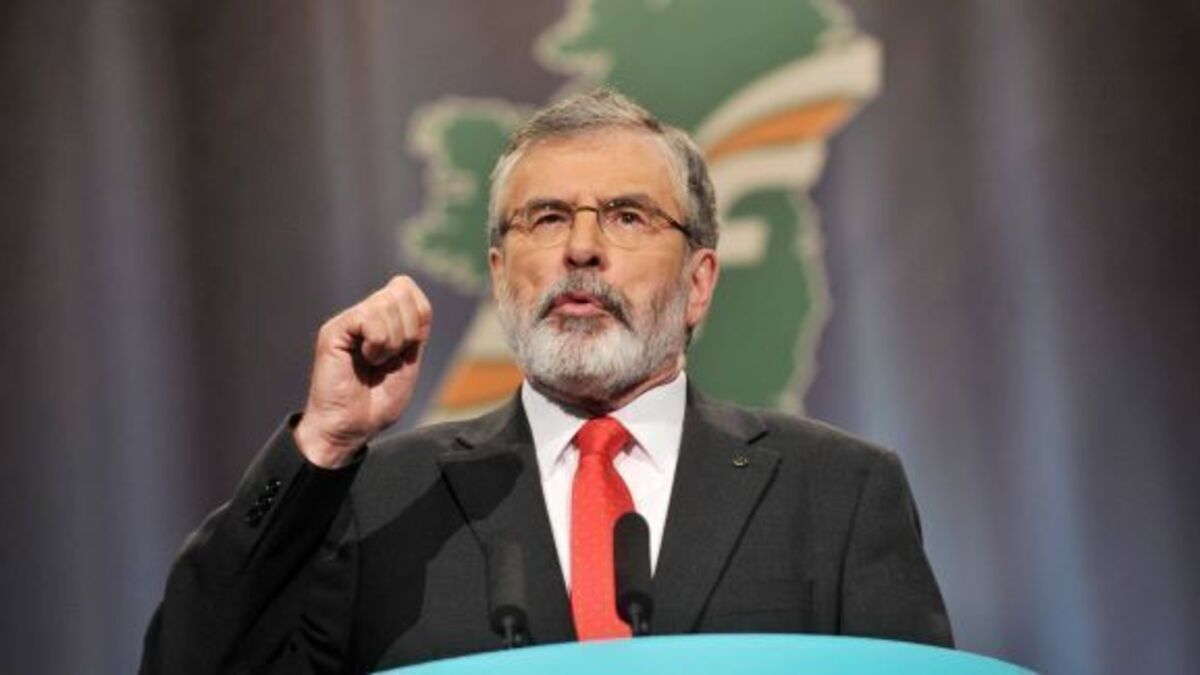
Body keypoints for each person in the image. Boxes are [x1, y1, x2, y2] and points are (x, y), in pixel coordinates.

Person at [140, 89, 952, 674]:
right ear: (500, 274)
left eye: (627, 216)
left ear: (699, 282)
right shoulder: (380, 499)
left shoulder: (838, 492)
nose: (582, 248)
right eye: (549, 217)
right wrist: (321, 442)